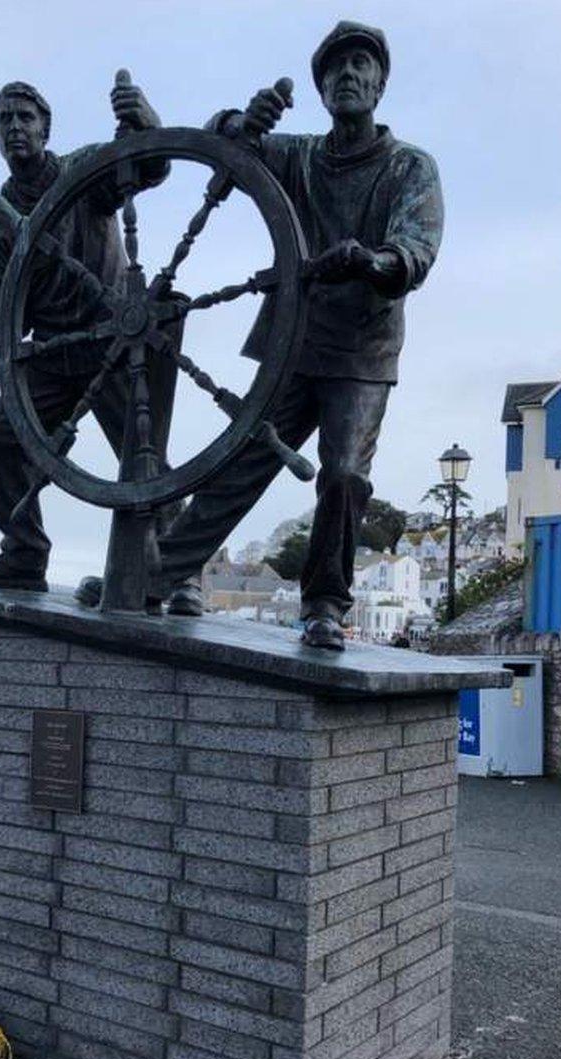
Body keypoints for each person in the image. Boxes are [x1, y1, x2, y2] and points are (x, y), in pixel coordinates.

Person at [118, 22, 444, 647]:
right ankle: (162, 575)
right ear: (321, 89)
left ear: (380, 83)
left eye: (360, 65)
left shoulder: (409, 168)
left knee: (345, 475)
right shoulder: (299, 155)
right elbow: (225, 148)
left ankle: (324, 603)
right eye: (335, 69)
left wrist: (377, 261)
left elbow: (417, 247)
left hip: (362, 350)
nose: (347, 75)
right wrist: (241, 120)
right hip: (294, 340)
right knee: (242, 460)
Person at [0, 78, 165, 590]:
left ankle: (175, 573)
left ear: (46, 128)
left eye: (26, 118)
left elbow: (151, 166)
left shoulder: (83, 173)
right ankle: (24, 554)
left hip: (111, 342)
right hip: (51, 353)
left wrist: (148, 121)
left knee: (145, 459)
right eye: (5, 120)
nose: (16, 128)